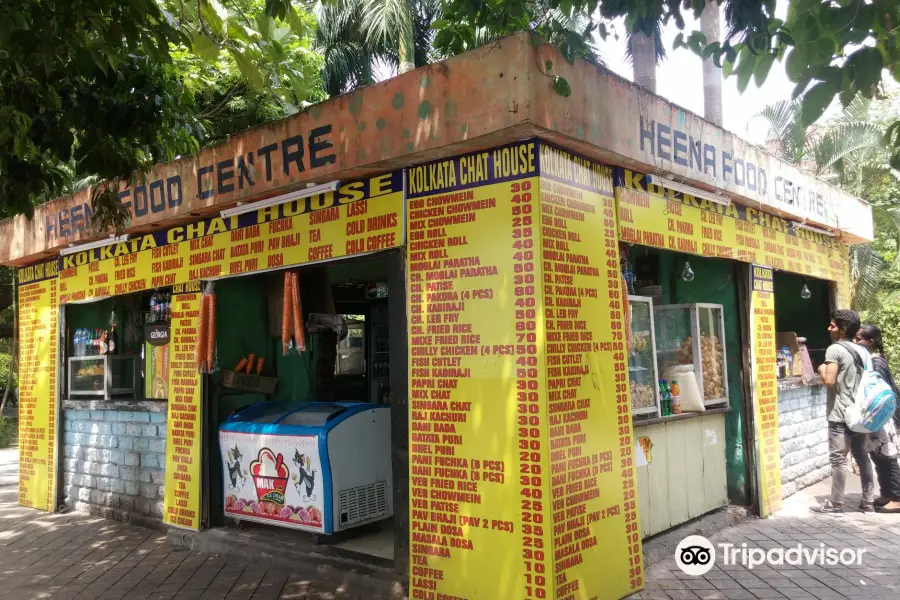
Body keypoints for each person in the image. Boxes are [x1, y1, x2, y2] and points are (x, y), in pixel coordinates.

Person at [812, 309, 876, 513]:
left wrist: (821, 369)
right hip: (861, 414)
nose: (829, 328)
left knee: (839, 459)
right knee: (863, 457)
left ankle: (835, 503)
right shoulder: (864, 351)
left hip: (840, 414)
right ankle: (868, 502)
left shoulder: (835, 350)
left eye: (833, 325)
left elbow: (829, 381)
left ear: (843, 329)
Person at [855, 324, 900, 512]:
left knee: (888, 456)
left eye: (859, 339)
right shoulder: (870, 360)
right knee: (878, 455)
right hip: (877, 417)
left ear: (870, 341)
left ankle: (897, 498)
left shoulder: (875, 362)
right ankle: (887, 493)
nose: (855, 342)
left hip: (883, 416)